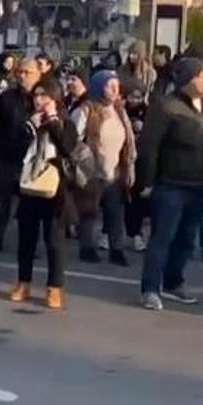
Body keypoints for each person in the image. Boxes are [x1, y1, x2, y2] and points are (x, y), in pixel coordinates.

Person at [137, 57, 203, 310]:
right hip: (170, 184)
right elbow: (149, 146)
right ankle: (150, 288)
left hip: (199, 185)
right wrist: (147, 181)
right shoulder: (166, 106)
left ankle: (173, 282)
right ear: (188, 80)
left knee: (186, 240)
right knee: (162, 238)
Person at [11, 78, 77, 309]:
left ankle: (55, 287)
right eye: (36, 96)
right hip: (30, 185)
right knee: (26, 238)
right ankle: (23, 282)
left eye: (44, 96)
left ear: (55, 99)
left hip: (55, 188)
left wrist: (52, 123)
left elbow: (68, 148)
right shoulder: (28, 121)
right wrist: (30, 127)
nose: (39, 100)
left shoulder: (65, 123)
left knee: (54, 240)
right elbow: (14, 148)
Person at [71, 70, 136, 266]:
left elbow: (129, 141)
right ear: (100, 87)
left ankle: (117, 250)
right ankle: (87, 247)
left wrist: (130, 166)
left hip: (115, 171)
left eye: (117, 86)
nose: (116, 90)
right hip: (92, 171)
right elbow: (73, 139)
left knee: (116, 213)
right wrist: (83, 162)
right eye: (110, 86)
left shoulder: (119, 110)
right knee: (89, 211)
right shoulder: (87, 110)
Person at [0, 58, 40, 250]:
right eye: (20, 72)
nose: (22, 76)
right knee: (2, 203)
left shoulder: (43, 98)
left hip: (33, 160)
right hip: (8, 157)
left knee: (30, 208)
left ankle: (29, 245)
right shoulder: (7, 97)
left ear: (37, 74)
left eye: (27, 72)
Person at [123, 82, 150, 253]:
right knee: (119, 199)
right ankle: (107, 233)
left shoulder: (147, 112)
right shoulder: (121, 110)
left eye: (138, 97)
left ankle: (137, 234)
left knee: (138, 199)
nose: (135, 100)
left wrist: (143, 128)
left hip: (140, 159)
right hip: (122, 157)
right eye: (132, 96)